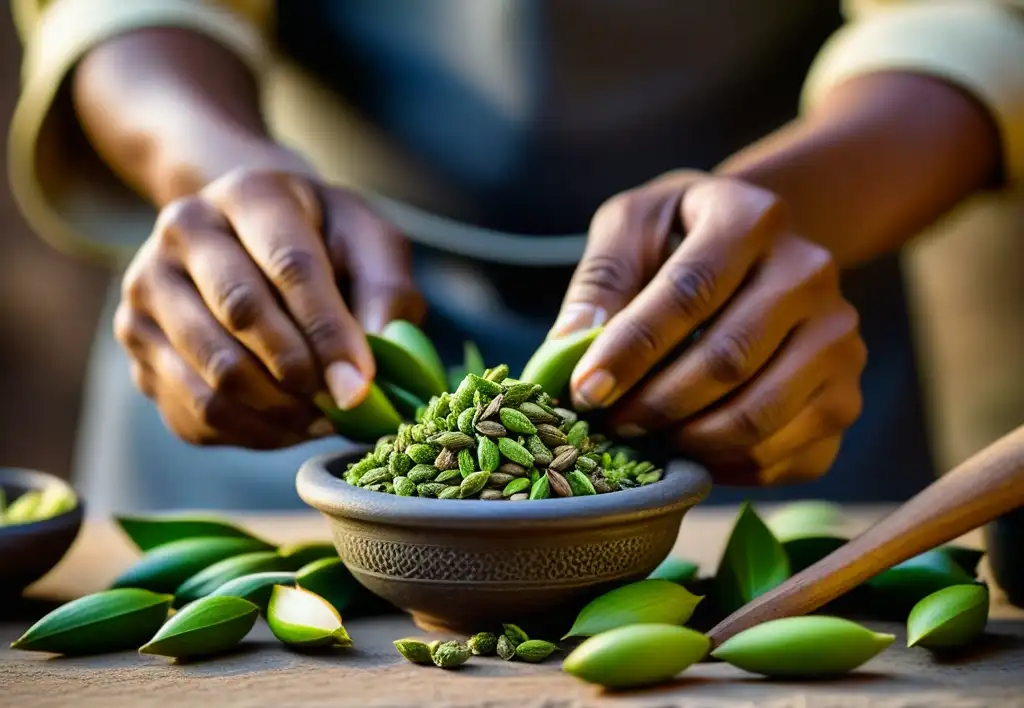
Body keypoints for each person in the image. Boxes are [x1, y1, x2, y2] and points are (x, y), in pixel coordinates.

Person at [7, 0, 1024, 514]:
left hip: (764, 322)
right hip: (280, 305)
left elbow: (967, 20)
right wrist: (212, 169)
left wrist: (787, 212)